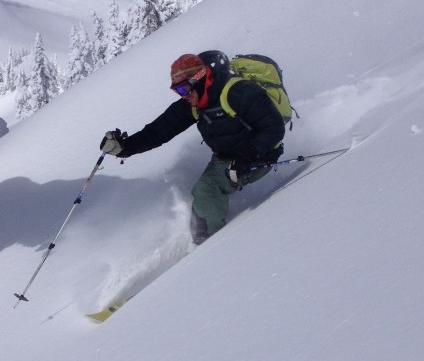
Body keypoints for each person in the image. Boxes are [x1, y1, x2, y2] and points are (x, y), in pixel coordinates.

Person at [100, 50, 285, 243]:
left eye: (183, 89)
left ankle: (218, 245)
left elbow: (274, 128)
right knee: (199, 204)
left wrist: (247, 156)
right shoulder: (194, 103)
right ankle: (197, 243)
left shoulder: (239, 92)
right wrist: (125, 147)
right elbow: (159, 131)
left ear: (199, 79)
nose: (183, 96)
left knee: (205, 191)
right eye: (177, 91)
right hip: (227, 158)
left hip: (259, 155)